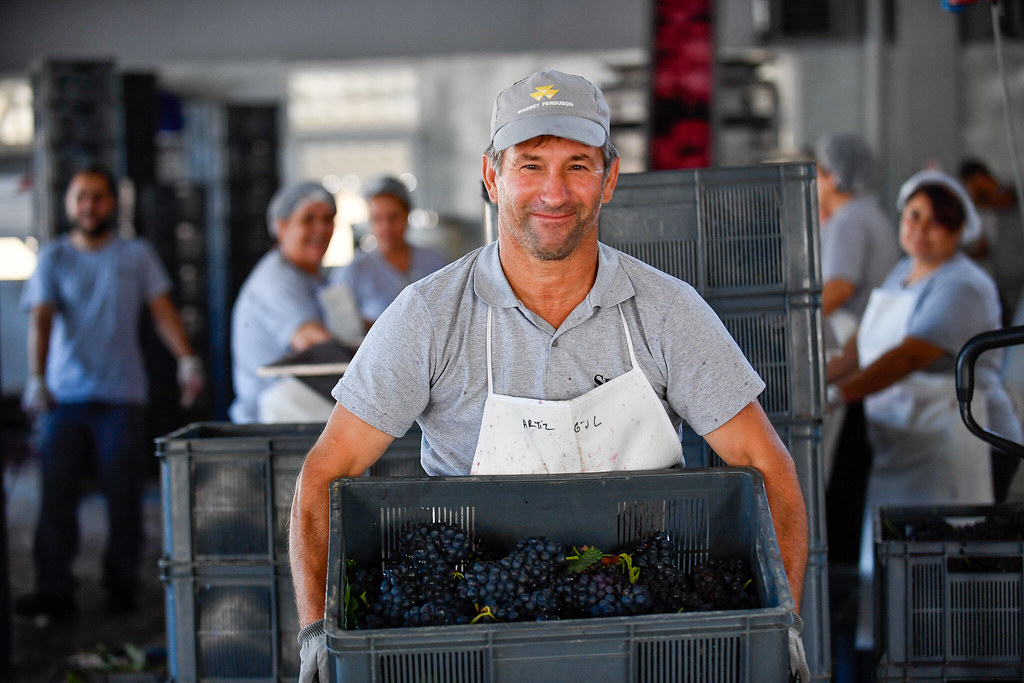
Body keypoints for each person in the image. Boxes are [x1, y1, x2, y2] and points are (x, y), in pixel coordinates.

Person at [290, 70, 810, 683]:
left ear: (610, 178)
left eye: (579, 166)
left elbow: (768, 467)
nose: (554, 192)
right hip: (477, 637)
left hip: (638, 634)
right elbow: (328, 472)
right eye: (530, 165)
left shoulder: (668, 313)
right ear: (492, 176)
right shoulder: (430, 316)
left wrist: (783, 626)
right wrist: (317, 633)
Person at [825, 169, 1022, 649]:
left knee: (945, 559)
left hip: (967, 440)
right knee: (903, 558)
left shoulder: (964, 284)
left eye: (937, 222)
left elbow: (910, 354)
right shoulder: (902, 273)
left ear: (959, 232)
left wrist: (839, 396)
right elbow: (864, 345)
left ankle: (952, 655)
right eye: (914, 215)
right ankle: (905, 650)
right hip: (908, 441)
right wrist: (818, 378)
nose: (920, 228)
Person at [16, 163, 204, 617]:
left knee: (124, 499)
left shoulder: (135, 255)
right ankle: (55, 590)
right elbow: (40, 320)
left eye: (98, 196)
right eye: (81, 196)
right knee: (57, 498)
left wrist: (186, 359)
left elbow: (161, 309)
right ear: (68, 202)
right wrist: (37, 379)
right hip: (64, 398)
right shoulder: (54, 258)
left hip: (122, 397)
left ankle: (122, 587)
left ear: (112, 203)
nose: (89, 205)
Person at [813, 134, 901, 570]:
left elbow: (841, 286)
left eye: (818, 173)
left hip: (853, 351)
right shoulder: (866, 215)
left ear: (833, 177)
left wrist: (796, 317)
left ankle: (841, 567)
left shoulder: (850, 221)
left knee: (843, 475)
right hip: (862, 348)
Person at [229, 182, 338, 424]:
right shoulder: (276, 281)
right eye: (308, 219)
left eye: (328, 218)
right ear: (281, 227)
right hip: (272, 426)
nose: (320, 229)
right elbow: (314, 344)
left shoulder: (311, 277)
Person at [328, 175, 446, 328]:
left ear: (407, 215)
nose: (386, 227)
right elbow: (341, 329)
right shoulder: (352, 272)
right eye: (377, 219)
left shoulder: (434, 263)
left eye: (393, 217)